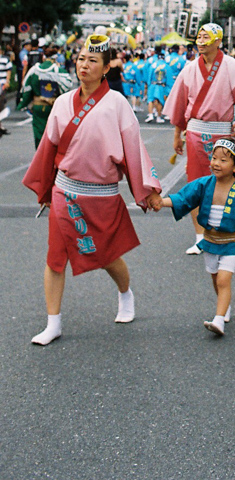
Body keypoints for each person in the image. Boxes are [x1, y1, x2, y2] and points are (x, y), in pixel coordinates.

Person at [22, 33, 162, 345]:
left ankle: (125, 293)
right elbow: (48, 149)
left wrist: (147, 190)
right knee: (55, 257)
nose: (84, 65)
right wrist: (45, 189)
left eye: (93, 60)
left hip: (102, 194)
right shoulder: (62, 102)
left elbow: (133, 150)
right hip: (65, 191)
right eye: (81, 59)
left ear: (106, 68)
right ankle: (53, 322)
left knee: (107, 256)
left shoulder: (117, 104)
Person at [157, 137, 235, 335]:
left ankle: (219, 320)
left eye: (223, 160)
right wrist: (160, 202)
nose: (216, 163)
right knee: (215, 277)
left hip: (231, 242)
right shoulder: (204, 184)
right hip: (209, 240)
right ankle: (224, 307)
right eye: (214, 158)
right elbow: (183, 198)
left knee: (223, 280)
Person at [165, 22, 235, 254]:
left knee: (222, 184)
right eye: (199, 36)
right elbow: (180, 104)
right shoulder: (189, 69)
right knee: (195, 185)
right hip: (195, 132)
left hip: (222, 133)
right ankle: (199, 236)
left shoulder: (233, 67)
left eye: (206, 37)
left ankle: (221, 230)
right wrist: (177, 135)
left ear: (218, 41)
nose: (201, 41)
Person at [18, 44, 73, 148]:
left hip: (38, 106)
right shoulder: (58, 71)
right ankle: (51, 153)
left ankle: (40, 154)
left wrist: (23, 103)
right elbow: (67, 87)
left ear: (43, 57)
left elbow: (26, 87)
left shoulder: (35, 69)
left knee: (39, 132)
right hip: (54, 106)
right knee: (54, 133)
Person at [144, 46, 170, 123]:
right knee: (159, 101)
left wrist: (148, 84)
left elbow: (149, 75)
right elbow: (169, 77)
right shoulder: (166, 66)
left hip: (152, 84)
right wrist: (168, 87)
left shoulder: (153, 64)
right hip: (161, 85)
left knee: (150, 100)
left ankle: (150, 114)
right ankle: (159, 117)